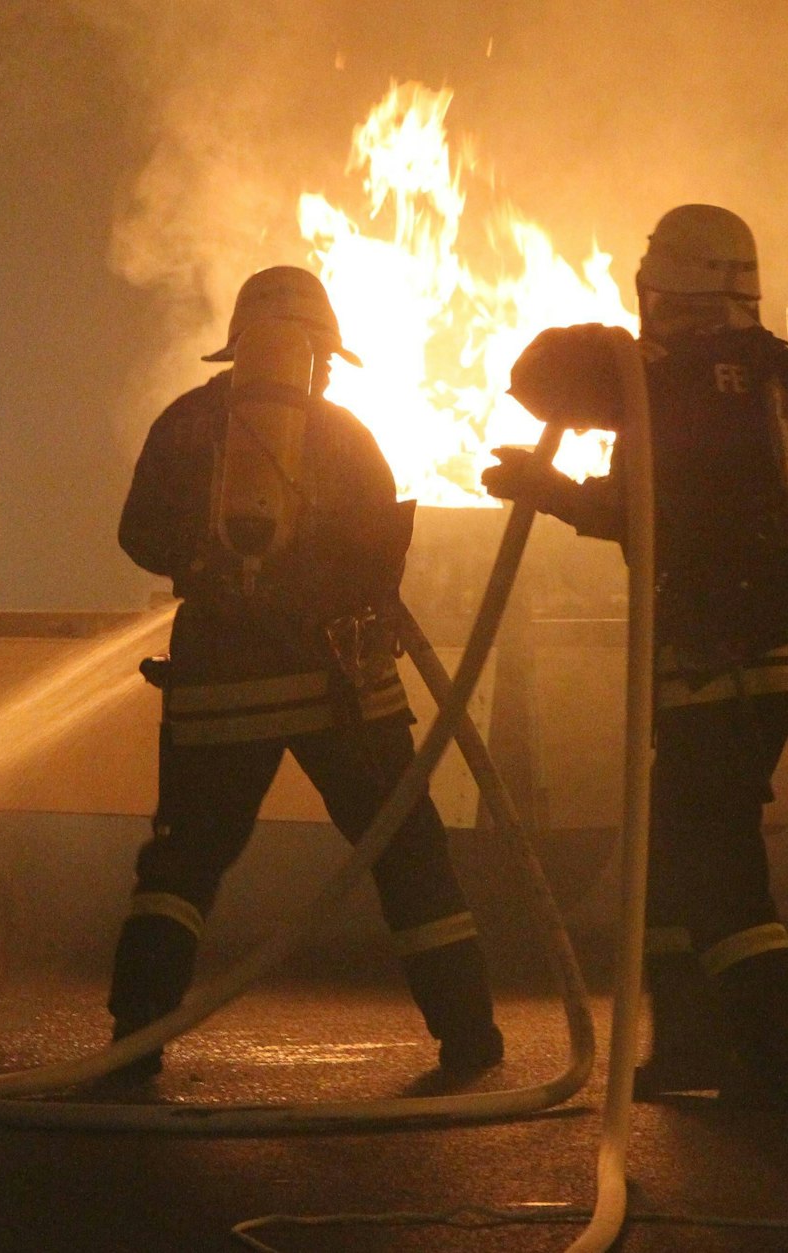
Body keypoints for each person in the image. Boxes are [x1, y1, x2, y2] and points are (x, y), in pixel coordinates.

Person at [483, 205, 788, 1109]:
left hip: (730, 640)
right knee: (672, 840)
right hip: (779, 632)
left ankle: (778, 1055)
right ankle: (691, 1043)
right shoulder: (775, 368)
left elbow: (630, 485)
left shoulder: (674, 380)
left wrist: (552, 487)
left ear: (665, 285)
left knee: (713, 849)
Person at [108, 265, 503, 1080]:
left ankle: (135, 1041)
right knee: (406, 851)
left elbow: (138, 536)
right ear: (322, 354)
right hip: (341, 684)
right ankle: (469, 1035)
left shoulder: (183, 423)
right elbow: (380, 552)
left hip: (219, 688)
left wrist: (208, 564)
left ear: (237, 347)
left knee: (181, 866)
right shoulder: (346, 435)